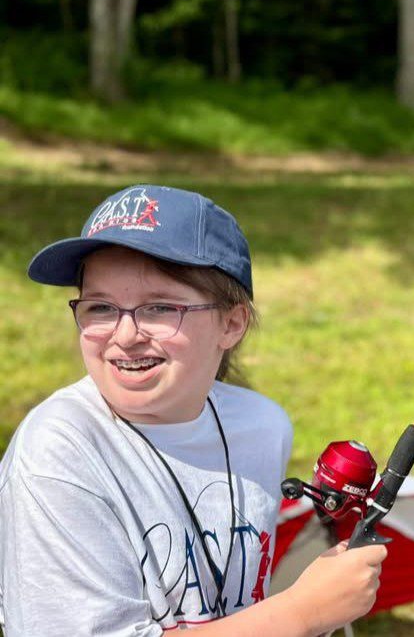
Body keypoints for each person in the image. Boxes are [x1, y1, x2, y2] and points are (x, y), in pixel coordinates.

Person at [0, 184, 387, 636]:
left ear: (231, 324)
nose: (124, 335)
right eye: (101, 307)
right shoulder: (59, 452)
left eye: (160, 307)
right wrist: (300, 614)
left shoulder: (263, 426)